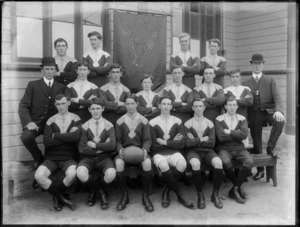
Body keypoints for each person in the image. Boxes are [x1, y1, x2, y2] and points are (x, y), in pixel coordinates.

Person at [34, 94, 81, 211]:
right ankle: (61, 198)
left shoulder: (76, 118)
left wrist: (56, 135)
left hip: (68, 158)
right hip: (51, 158)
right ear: (55, 105)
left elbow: (75, 137)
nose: (61, 106)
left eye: (63, 103)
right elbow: (47, 142)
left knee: (72, 175)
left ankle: (56, 197)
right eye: (58, 104)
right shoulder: (51, 120)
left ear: (69, 103)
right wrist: (67, 137)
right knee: (38, 176)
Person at [19, 57, 66, 173]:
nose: (50, 71)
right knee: (26, 137)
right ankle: (39, 160)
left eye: (52, 69)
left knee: (56, 141)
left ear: (55, 71)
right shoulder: (33, 85)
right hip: (36, 123)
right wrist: (29, 122)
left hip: (54, 124)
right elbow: (23, 106)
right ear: (42, 71)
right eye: (47, 69)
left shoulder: (61, 87)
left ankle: (52, 164)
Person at [243, 53, 285, 180]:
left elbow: (277, 98)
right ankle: (260, 170)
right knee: (257, 141)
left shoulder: (270, 80)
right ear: (251, 65)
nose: (257, 66)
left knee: (280, 121)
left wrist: (278, 111)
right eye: (254, 64)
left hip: (268, 112)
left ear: (263, 65)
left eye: (259, 63)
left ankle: (271, 147)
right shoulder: (246, 82)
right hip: (254, 113)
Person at [149, 97, 195, 209]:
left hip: (174, 152)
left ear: (171, 106)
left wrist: (164, 142)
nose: (165, 106)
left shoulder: (178, 121)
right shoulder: (152, 122)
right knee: (163, 165)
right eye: (163, 104)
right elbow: (154, 144)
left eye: (168, 104)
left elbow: (181, 143)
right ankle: (180, 195)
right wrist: (172, 141)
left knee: (182, 164)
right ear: (159, 106)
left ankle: (166, 190)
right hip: (158, 153)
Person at [115, 94, 154, 212]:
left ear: (137, 104)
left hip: (140, 150)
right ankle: (124, 196)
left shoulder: (144, 120)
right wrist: (120, 149)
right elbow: (118, 140)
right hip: (125, 151)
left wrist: (145, 150)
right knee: (118, 164)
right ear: (125, 105)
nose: (130, 106)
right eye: (127, 104)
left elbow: (148, 140)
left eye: (132, 103)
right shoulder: (120, 121)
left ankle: (145, 196)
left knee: (147, 163)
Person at [76, 98, 116, 209]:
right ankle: (101, 192)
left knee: (111, 174)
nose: (95, 111)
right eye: (93, 109)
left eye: (98, 108)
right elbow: (82, 148)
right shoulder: (85, 126)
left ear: (103, 109)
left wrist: (95, 146)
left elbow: (112, 146)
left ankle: (94, 192)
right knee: (80, 173)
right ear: (89, 110)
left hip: (104, 158)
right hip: (87, 158)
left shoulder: (109, 125)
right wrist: (104, 146)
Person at [184, 99, 223, 209]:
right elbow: (187, 143)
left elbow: (212, 143)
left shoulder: (210, 123)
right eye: (196, 106)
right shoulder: (187, 124)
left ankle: (215, 194)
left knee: (218, 162)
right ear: (192, 108)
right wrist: (202, 139)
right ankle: (200, 194)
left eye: (200, 106)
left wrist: (195, 140)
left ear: (204, 108)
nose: (198, 108)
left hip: (208, 151)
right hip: (193, 152)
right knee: (195, 164)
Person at [215, 97, 253, 204]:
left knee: (249, 161)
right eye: (229, 105)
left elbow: (244, 134)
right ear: (225, 106)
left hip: (239, 147)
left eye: (234, 105)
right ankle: (239, 188)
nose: (232, 107)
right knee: (226, 162)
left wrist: (229, 132)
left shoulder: (242, 118)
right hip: (224, 148)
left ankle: (235, 188)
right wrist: (237, 133)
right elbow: (221, 137)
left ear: (237, 106)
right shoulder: (219, 119)